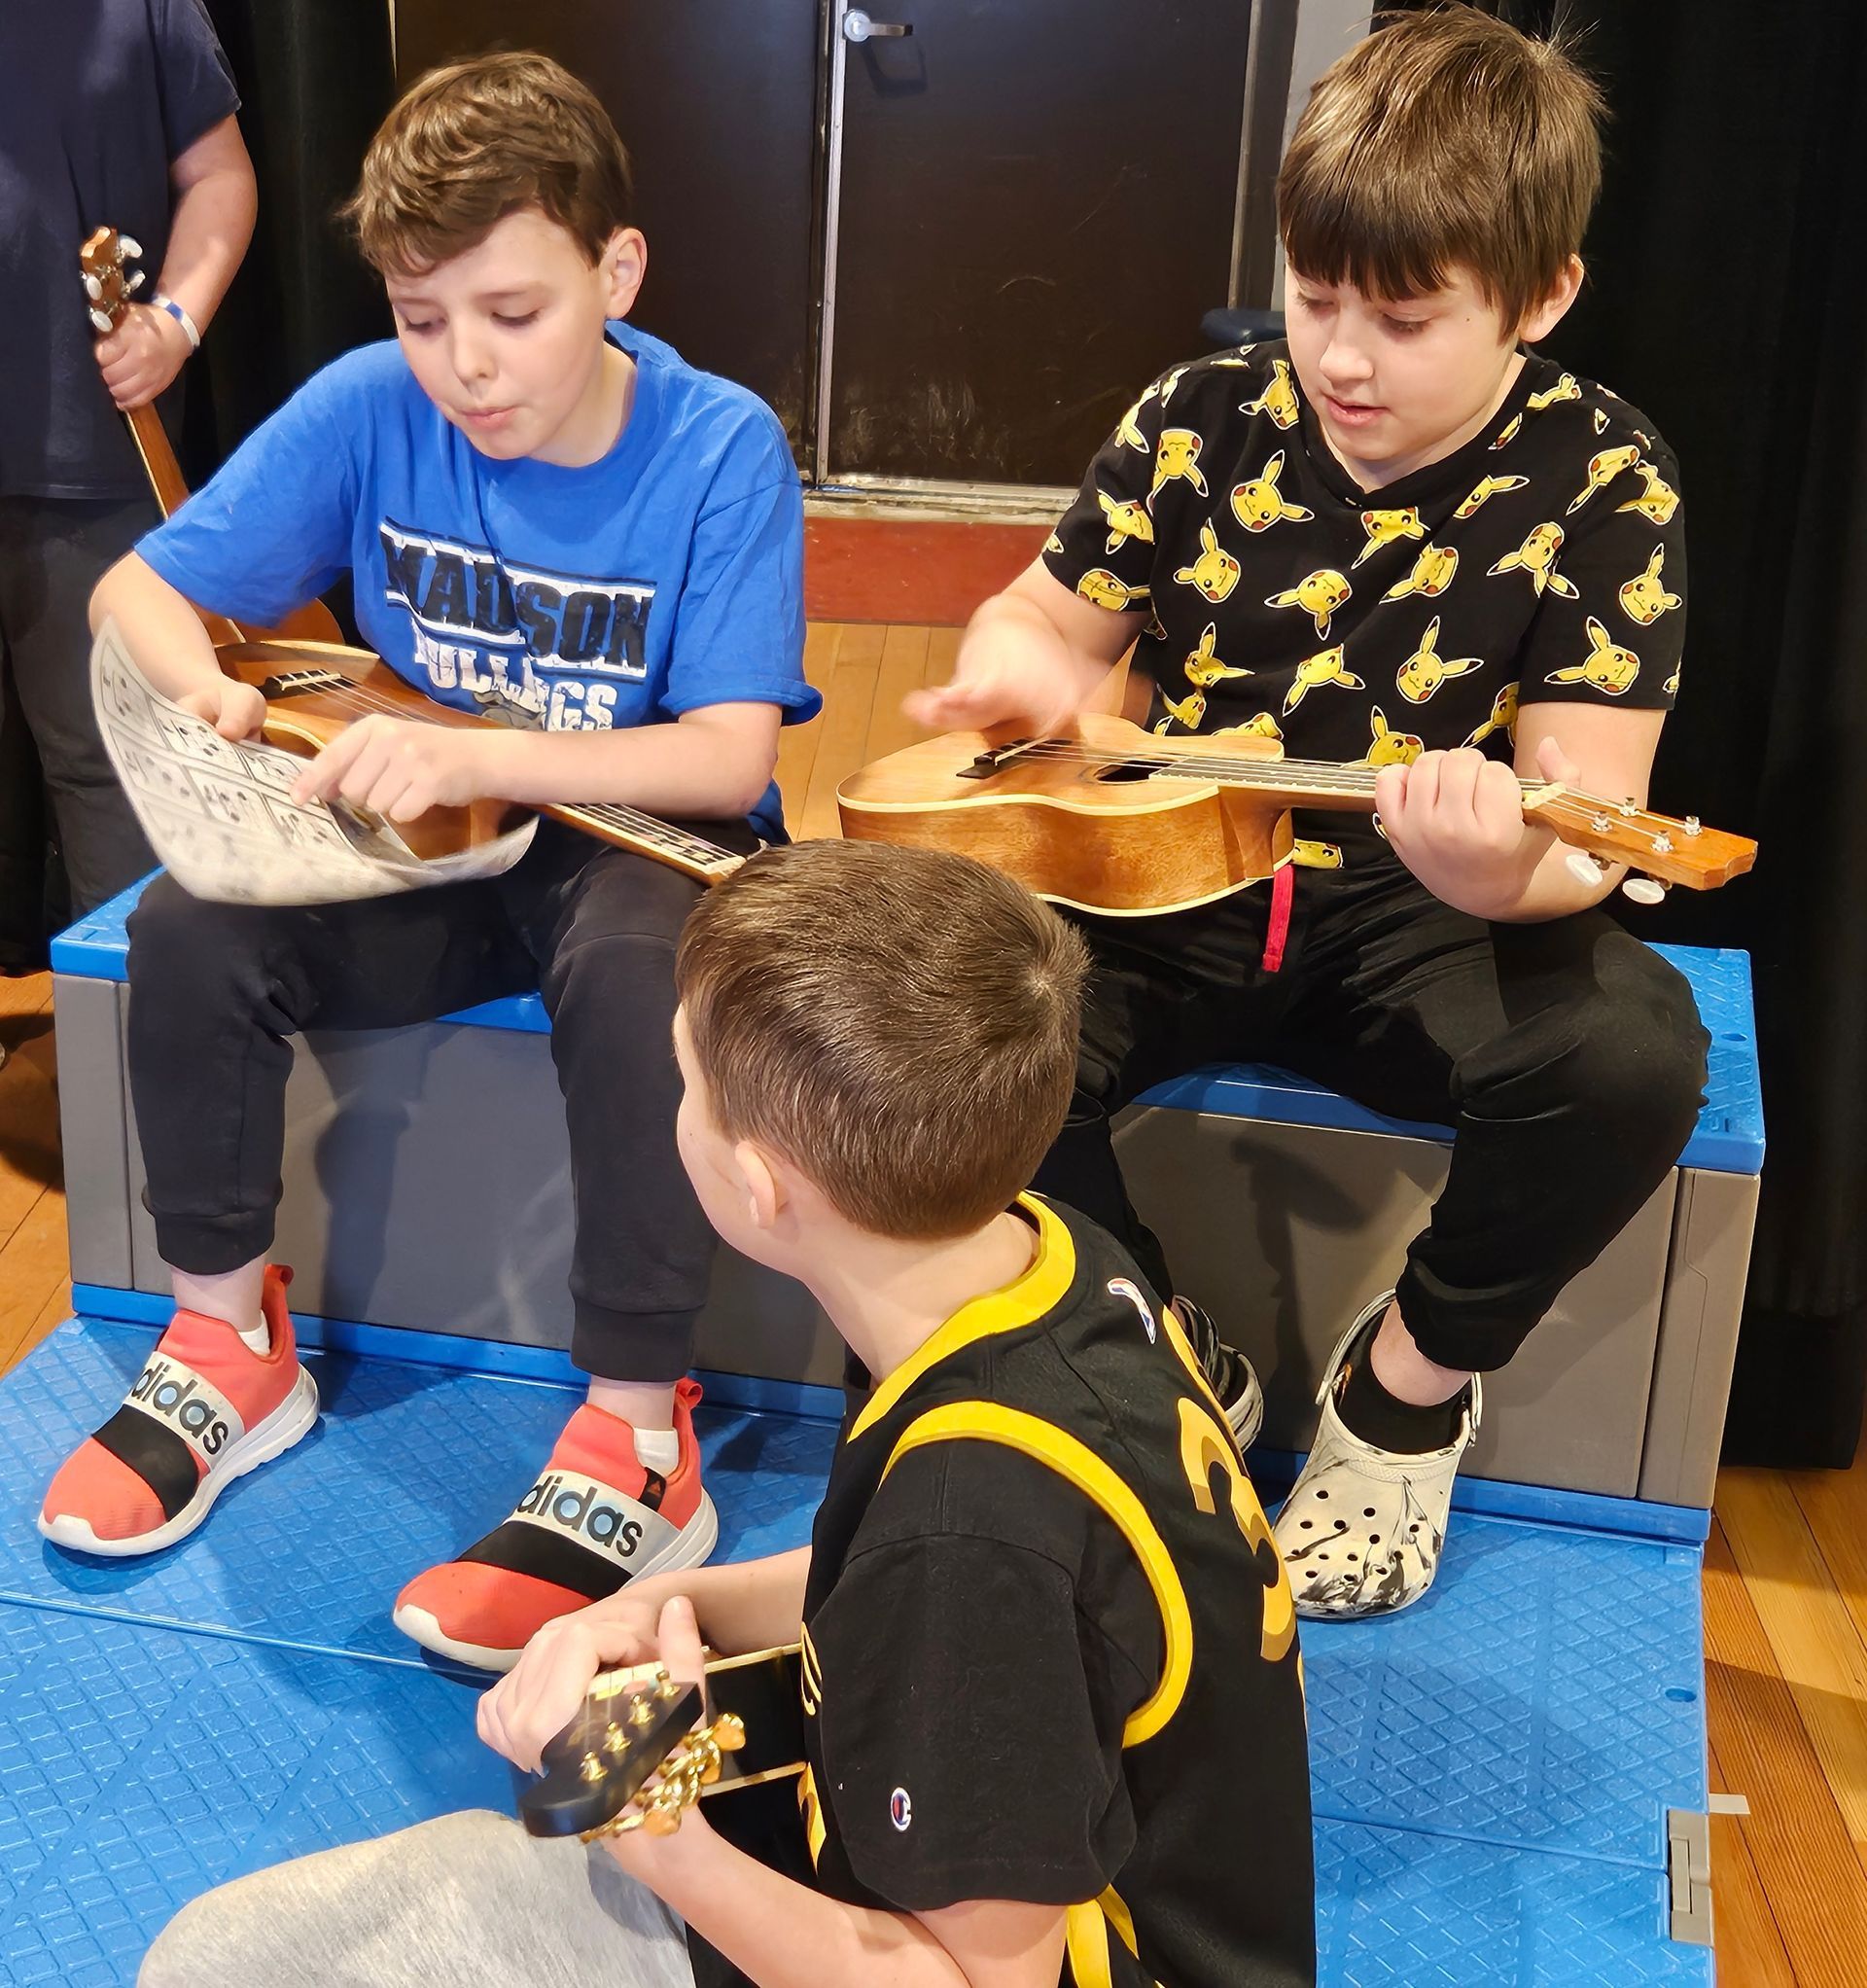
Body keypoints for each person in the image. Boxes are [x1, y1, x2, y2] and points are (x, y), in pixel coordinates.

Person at [137, 837, 1316, 1988]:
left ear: (757, 1187)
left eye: (686, 1084)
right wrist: (672, 1598)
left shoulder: (969, 1530)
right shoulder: (1045, 1255)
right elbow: (984, 1592)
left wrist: (645, 1819)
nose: (675, 1105)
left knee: (222, 1961)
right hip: (1054, 1853)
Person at [905, 6, 1709, 1619]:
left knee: (1634, 1053)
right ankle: (1140, 1334)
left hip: (1429, 908)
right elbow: (1040, 623)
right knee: (924, 998)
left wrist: (1506, 866)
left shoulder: (1609, 482)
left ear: (1540, 297)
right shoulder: (1199, 417)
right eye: (1316, 295)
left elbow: (1590, 817)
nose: (1340, 356)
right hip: (1170, 866)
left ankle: (1402, 1390)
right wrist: (1014, 679)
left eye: (1405, 318)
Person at [38, 52, 818, 1674]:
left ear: (616, 272)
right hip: (432, 843)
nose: (462, 364)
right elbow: (139, 589)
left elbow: (729, 755)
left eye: (511, 314)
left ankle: (635, 1434)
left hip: (641, 839)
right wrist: (209, 693)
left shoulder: (718, 443)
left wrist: (481, 748)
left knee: (627, 977)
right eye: (419, 315)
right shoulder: (367, 402)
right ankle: (229, 1332)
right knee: (195, 928)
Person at [0, 0, 257, 967]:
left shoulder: (145, 8)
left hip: (89, 462)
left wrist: (176, 323)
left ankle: (133, 1067)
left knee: (120, 768)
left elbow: (222, 176)